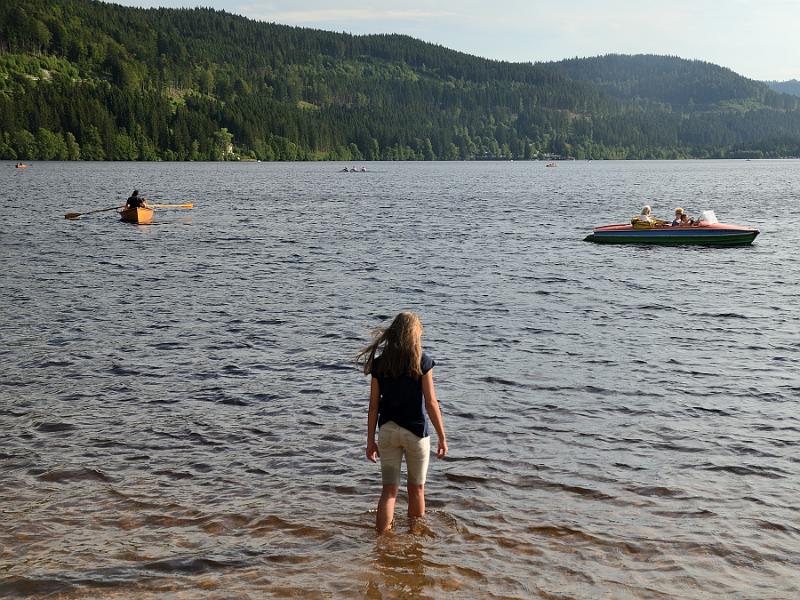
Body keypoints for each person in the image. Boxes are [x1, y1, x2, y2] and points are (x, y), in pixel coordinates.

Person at [357, 312, 448, 533]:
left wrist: (370, 441)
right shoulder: (422, 361)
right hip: (416, 433)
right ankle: (415, 540)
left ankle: (382, 540)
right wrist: (442, 437)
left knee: (389, 492)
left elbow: (373, 407)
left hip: (387, 431)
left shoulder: (380, 364)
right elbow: (431, 403)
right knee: (417, 489)